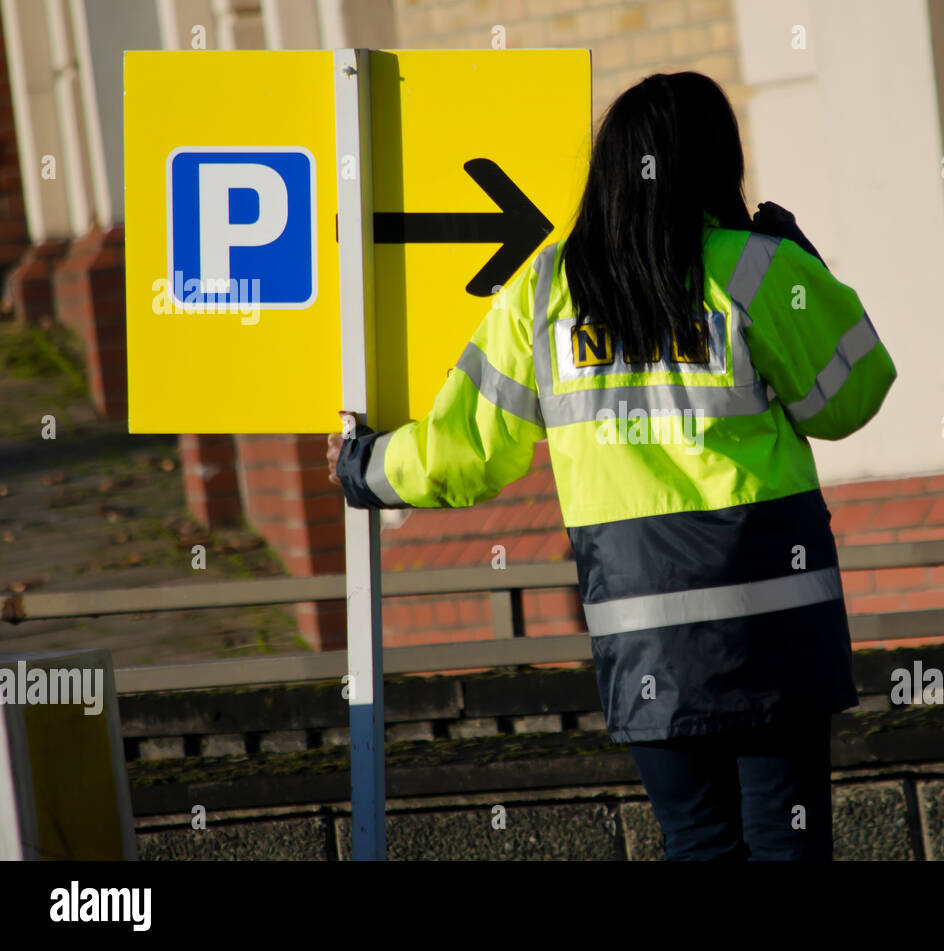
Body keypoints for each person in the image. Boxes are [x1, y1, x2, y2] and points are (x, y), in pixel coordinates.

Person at [328, 71, 896, 861]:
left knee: (697, 840)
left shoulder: (544, 292)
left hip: (646, 635)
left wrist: (365, 467)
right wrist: (806, 265)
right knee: (787, 839)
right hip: (776, 622)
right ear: (715, 163)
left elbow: (467, 450)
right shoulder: (754, 269)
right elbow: (851, 395)